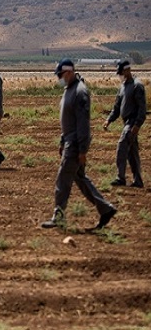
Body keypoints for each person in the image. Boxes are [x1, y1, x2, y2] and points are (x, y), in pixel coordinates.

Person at [42, 59, 117, 230]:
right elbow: (68, 120)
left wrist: (82, 150)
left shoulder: (80, 92)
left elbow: (83, 124)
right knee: (80, 178)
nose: (58, 78)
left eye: (60, 75)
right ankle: (105, 209)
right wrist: (62, 140)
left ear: (68, 72)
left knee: (63, 179)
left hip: (76, 143)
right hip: (69, 141)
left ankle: (59, 216)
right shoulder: (69, 89)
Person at [103, 60, 147, 188]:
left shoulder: (137, 86)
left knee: (122, 147)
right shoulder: (123, 87)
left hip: (132, 123)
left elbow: (142, 109)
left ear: (128, 70)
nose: (120, 75)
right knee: (132, 154)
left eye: (122, 72)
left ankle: (120, 177)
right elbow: (117, 107)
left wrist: (137, 125)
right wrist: (109, 120)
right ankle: (138, 181)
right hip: (126, 123)